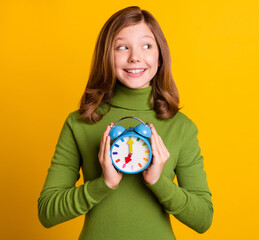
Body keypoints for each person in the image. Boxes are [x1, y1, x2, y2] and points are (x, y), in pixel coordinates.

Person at [38, 6, 213, 240]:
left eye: (147, 46)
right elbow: (47, 212)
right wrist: (104, 183)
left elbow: (203, 219)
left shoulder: (181, 127)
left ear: (160, 56)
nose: (135, 57)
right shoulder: (79, 123)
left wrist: (158, 182)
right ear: (106, 56)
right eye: (122, 47)